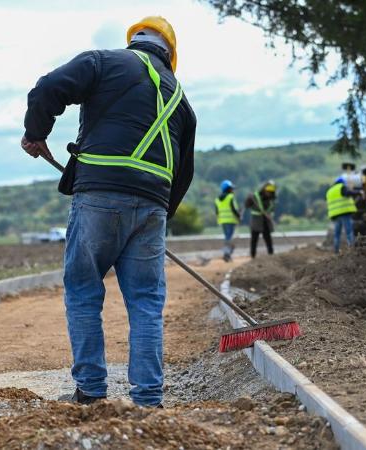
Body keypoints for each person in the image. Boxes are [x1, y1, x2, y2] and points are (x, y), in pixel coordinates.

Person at [20, 16, 196, 408]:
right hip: (152, 205)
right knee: (147, 302)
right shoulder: (180, 101)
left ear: (136, 40)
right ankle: (148, 399)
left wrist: (36, 132)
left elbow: (48, 88)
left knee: (84, 291)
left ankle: (91, 393)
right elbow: (183, 172)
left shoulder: (105, 61)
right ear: (170, 55)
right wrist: (159, 217)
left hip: (98, 195)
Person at [244, 181, 276, 258]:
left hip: (265, 222)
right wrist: (248, 199)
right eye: (268, 192)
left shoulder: (271, 199)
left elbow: (272, 209)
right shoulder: (255, 197)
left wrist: (269, 214)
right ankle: (253, 255)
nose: (269, 193)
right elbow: (247, 205)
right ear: (264, 190)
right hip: (256, 221)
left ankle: (271, 254)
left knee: (268, 238)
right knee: (254, 239)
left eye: (270, 192)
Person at [326, 176, 358, 253]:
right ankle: (352, 250)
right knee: (349, 232)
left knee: (337, 234)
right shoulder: (342, 187)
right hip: (344, 213)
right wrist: (358, 192)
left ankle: (336, 251)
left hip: (335, 215)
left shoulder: (330, 191)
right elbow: (347, 193)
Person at [215, 179, 241, 262]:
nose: (232, 190)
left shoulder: (217, 199)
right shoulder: (230, 197)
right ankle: (226, 254)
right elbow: (234, 209)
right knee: (229, 238)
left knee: (227, 237)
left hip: (222, 221)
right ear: (228, 189)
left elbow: (217, 212)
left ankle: (227, 254)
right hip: (231, 220)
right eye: (231, 188)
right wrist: (239, 216)